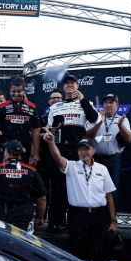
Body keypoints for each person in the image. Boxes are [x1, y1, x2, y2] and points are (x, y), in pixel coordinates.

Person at [44, 133, 117, 261]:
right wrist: (51, 143)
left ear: (93, 151)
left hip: (99, 215)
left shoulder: (102, 169)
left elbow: (109, 196)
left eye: (86, 149)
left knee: (100, 252)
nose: (83, 152)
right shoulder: (71, 166)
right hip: (77, 215)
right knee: (77, 254)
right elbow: (57, 157)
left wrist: (113, 221)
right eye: (80, 149)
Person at [41, 73, 100, 232]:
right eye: (67, 83)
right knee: (57, 188)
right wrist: (49, 133)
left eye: (72, 83)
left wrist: (83, 100)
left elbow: (94, 119)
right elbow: (49, 128)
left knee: (76, 187)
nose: (69, 85)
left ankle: (75, 222)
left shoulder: (85, 103)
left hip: (78, 152)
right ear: (63, 87)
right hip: (59, 151)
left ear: (77, 86)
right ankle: (55, 222)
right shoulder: (55, 106)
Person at [0, 140, 47, 231]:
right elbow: (42, 198)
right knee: (23, 244)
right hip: (23, 219)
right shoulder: (31, 171)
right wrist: (40, 217)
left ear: (6, 153)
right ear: (20, 155)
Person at [0, 77, 42, 166]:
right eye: (13, 91)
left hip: (24, 150)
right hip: (4, 149)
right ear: (10, 91)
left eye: (19, 91)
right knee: (3, 177)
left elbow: (36, 133)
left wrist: (35, 153)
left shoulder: (32, 107)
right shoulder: (2, 107)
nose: (16, 94)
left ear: (24, 91)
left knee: (23, 177)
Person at [86, 93, 131, 189]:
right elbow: (88, 136)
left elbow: (129, 139)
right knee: (97, 188)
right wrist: (100, 122)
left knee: (113, 188)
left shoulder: (122, 119)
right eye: (106, 102)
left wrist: (120, 126)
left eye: (111, 102)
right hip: (96, 158)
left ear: (117, 105)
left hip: (114, 159)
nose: (108, 105)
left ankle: (113, 204)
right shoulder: (95, 118)